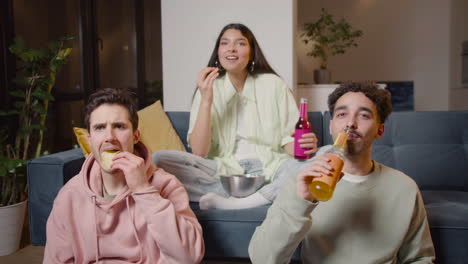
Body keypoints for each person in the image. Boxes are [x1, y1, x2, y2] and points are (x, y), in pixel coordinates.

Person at [248, 82, 436, 263]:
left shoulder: (404, 187)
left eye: (363, 115)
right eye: (342, 114)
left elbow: (420, 258)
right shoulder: (301, 183)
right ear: (331, 126)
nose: (350, 123)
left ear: (380, 130)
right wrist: (301, 202)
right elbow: (262, 259)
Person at [153, 23, 318, 210]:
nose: (231, 48)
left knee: (325, 156)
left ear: (252, 52)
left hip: (270, 168)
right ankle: (262, 194)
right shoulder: (209, 87)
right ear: (218, 52)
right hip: (223, 171)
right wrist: (206, 99)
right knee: (159, 160)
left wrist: (303, 146)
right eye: (225, 43)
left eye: (240, 43)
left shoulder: (274, 84)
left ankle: (241, 201)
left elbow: (289, 140)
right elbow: (199, 152)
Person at [43, 88, 204, 264]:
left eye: (119, 126)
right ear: (90, 141)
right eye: (99, 128)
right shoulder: (69, 196)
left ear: (135, 136)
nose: (109, 137)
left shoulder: (166, 185)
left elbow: (189, 256)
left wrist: (143, 190)